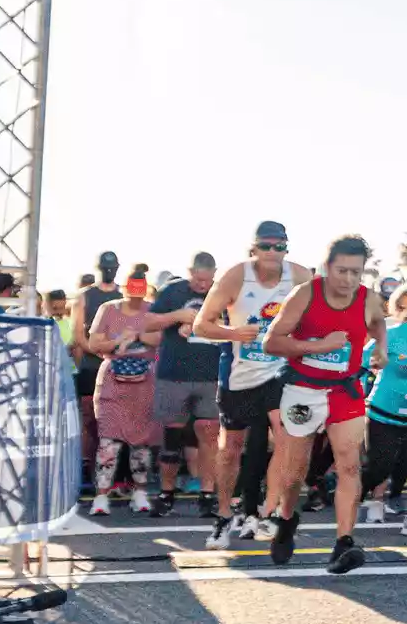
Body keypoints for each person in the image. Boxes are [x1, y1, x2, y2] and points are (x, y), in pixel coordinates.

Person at [263, 235, 388, 573]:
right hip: (302, 390)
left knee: (350, 465)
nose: (348, 279)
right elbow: (271, 342)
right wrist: (318, 347)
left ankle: (343, 543)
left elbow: (378, 322)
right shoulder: (305, 294)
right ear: (327, 267)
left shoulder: (367, 298)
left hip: (344, 390)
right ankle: (286, 519)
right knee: (295, 472)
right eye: (342, 271)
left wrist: (381, 348)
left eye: (356, 272)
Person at [192, 222, 311, 549]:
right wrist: (232, 333)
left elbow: (323, 313)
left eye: (279, 246)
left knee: (285, 437)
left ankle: (267, 514)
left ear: (286, 248)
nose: (272, 252)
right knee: (230, 448)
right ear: (254, 248)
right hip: (239, 374)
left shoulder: (299, 276)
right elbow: (201, 324)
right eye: (266, 246)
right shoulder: (236, 277)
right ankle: (223, 515)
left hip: (278, 371)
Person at [142, 252, 221, 518]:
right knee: (172, 437)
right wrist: (178, 315)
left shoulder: (222, 292)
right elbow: (148, 323)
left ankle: (207, 495)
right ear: (190, 272)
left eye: (207, 281)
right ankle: (166, 494)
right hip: (174, 374)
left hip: (210, 375)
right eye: (198, 280)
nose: (203, 285)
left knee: (209, 434)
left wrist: (203, 324)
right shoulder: (172, 291)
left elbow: (234, 326)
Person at [83, 266, 164, 515]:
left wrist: (137, 335)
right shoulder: (108, 309)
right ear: (125, 287)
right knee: (108, 441)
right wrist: (118, 341)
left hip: (145, 381)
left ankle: (140, 492)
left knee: (142, 443)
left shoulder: (154, 310)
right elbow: (94, 343)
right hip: (113, 380)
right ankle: (101, 496)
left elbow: (160, 339)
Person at [362, 284, 407, 538]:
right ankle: (352, 498)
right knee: (379, 469)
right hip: (384, 415)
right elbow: (360, 364)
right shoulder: (392, 335)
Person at [71, 256, 121, 491]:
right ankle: (85, 467)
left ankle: (115, 472)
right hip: (92, 366)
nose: (109, 271)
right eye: (105, 268)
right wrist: (101, 351)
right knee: (89, 419)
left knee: (115, 421)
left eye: (112, 268)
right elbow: (78, 335)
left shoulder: (123, 295)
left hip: (118, 366)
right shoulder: (84, 296)